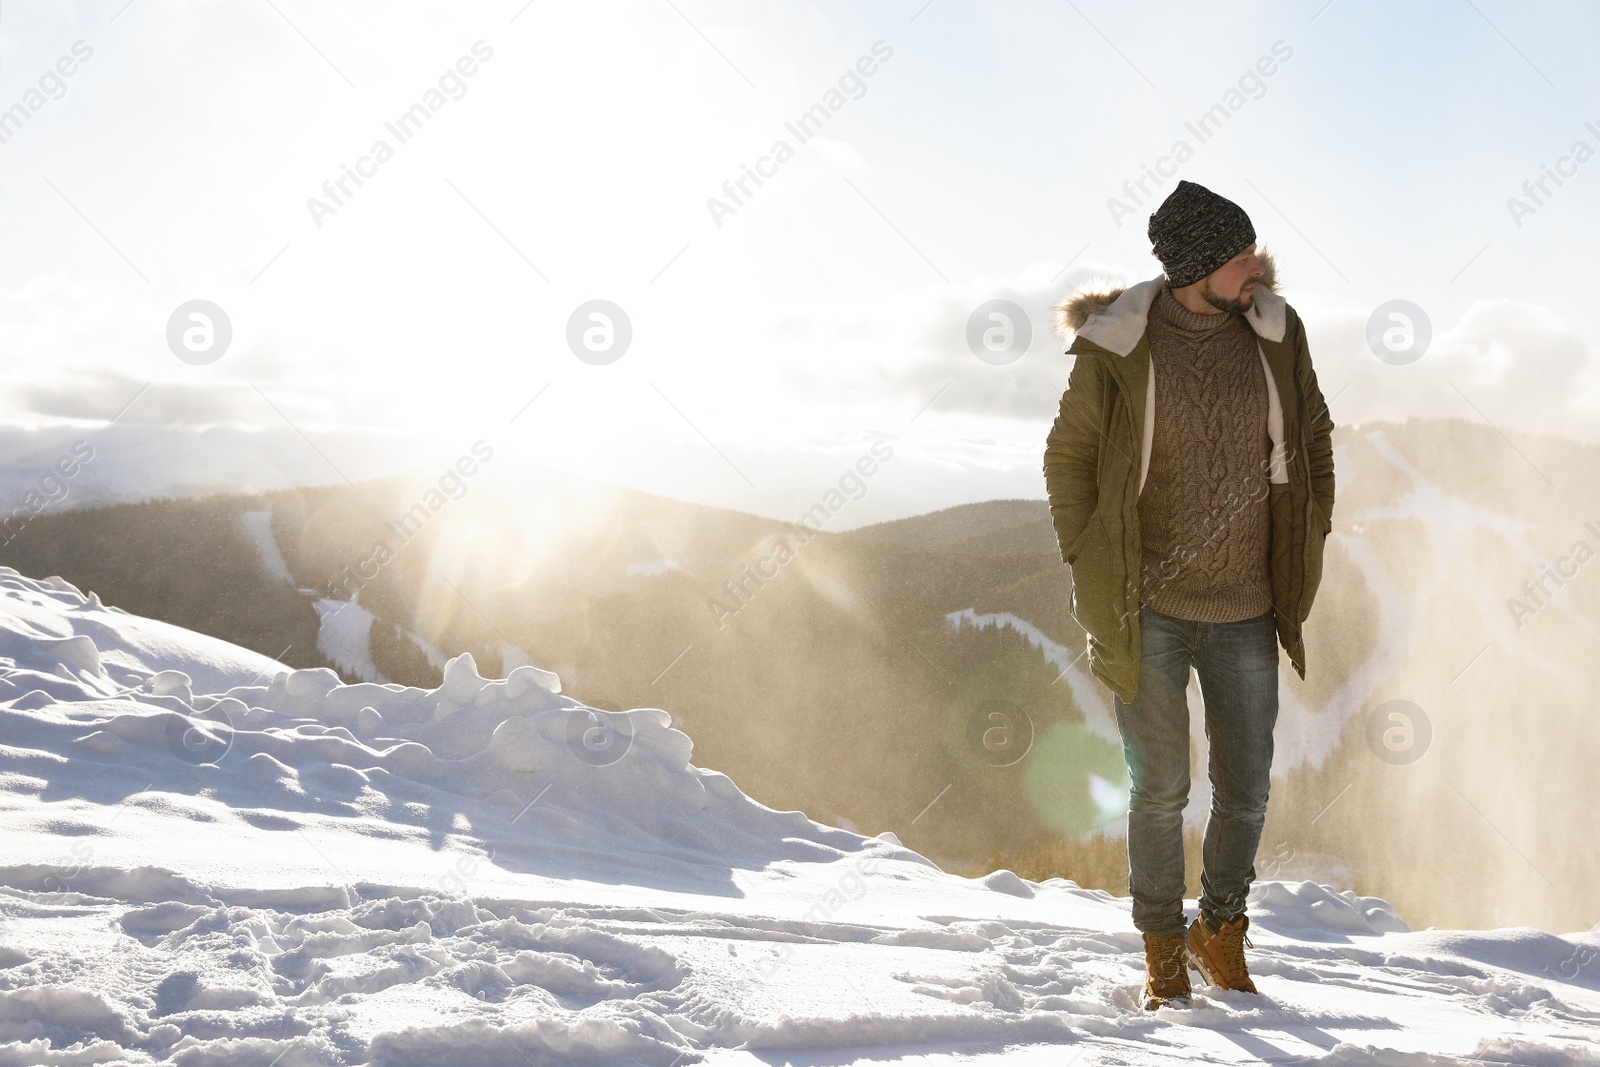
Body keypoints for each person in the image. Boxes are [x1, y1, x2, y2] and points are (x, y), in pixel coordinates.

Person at [1042, 180, 1335, 1010]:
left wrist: (1313, 524)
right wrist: (1086, 554)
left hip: (1247, 605)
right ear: (1198, 264)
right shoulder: (1119, 348)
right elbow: (1068, 459)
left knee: (1247, 785)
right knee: (1161, 784)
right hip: (1150, 609)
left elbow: (1313, 435)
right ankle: (1164, 951)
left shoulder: (1276, 334)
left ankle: (1222, 928)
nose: (1258, 267)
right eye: (1240, 255)